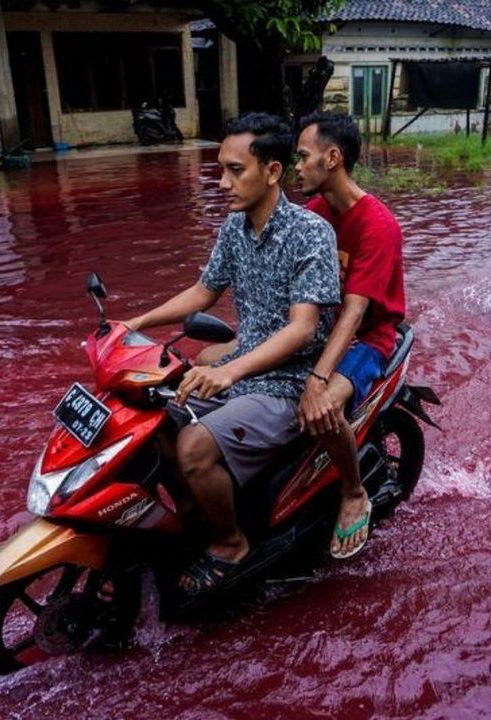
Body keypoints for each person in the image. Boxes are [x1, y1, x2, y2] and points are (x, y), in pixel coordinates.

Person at [122, 112, 340, 594]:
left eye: (234, 170)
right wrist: (134, 324)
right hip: (241, 370)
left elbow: (303, 329)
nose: (222, 183)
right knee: (153, 421)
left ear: (273, 171)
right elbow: (203, 292)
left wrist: (229, 369)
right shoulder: (234, 228)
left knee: (194, 448)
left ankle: (230, 542)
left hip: (288, 382)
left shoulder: (310, 233)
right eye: (220, 169)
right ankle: (198, 512)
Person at [294, 111, 406, 559]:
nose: (297, 167)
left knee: (322, 410)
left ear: (333, 158)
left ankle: (353, 490)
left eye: (303, 157)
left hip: (369, 338)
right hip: (322, 328)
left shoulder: (378, 225)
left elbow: (357, 312)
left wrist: (319, 379)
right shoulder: (315, 213)